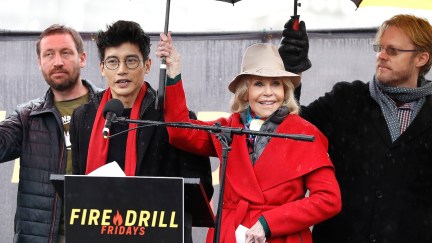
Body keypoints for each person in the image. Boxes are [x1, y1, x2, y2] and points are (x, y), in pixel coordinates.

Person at [156, 32, 341, 243]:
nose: (268, 92)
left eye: (276, 84)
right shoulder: (228, 128)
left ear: (285, 90)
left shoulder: (306, 134)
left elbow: (329, 199)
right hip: (230, 235)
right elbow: (180, 131)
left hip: (282, 237)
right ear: (245, 91)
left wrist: (268, 223)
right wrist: (174, 73)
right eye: (259, 84)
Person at [279, 14, 432, 243]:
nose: (381, 56)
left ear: (421, 58)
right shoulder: (346, 99)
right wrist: (290, 75)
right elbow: (289, 132)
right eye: (379, 48)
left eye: (392, 50)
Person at [69, 20, 213, 243]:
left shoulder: (170, 118)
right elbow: (79, 186)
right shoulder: (84, 116)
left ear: (147, 66)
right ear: (102, 68)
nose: (122, 70)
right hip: (100, 234)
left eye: (131, 61)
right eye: (113, 62)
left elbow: (200, 189)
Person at [0, 24, 100, 243]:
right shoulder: (27, 116)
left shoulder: (109, 108)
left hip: (99, 233)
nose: (57, 62)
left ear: (82, 58)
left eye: (65, 52)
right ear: (40, 63)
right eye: (49, 54)